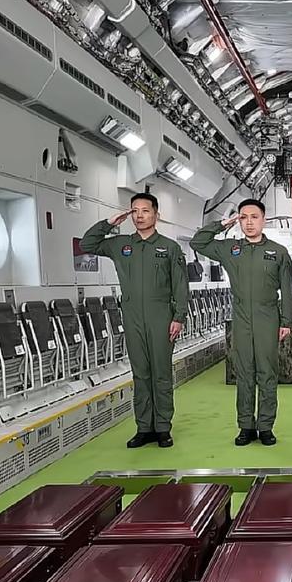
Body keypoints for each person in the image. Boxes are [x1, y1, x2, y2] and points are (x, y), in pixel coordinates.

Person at [80, 192, 188, 448]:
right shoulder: (121, 245)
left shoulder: (169, 248)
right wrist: (109, 223)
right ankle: (144, 428)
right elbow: (87, 244)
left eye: (145, 211)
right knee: (140, 374)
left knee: (161, 373)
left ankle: (162, 427)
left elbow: (180, 285)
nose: (140, 216)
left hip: (161, 316)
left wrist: (179, 317)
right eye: (135, 211)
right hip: (132, 317)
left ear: (156, 215)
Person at [191, 199, 292, 446]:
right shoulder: (230, 249)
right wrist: (222, 224)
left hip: (268, 317)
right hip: (241, 318)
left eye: (254, 217)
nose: (249, 222)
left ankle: (266, 427)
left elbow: (287, 290)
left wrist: (286, 321)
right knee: (244, 373)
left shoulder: (278, 252)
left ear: (263, 220)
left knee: (267, 373)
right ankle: (246, 426)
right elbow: (198, 243)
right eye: (243, 217)